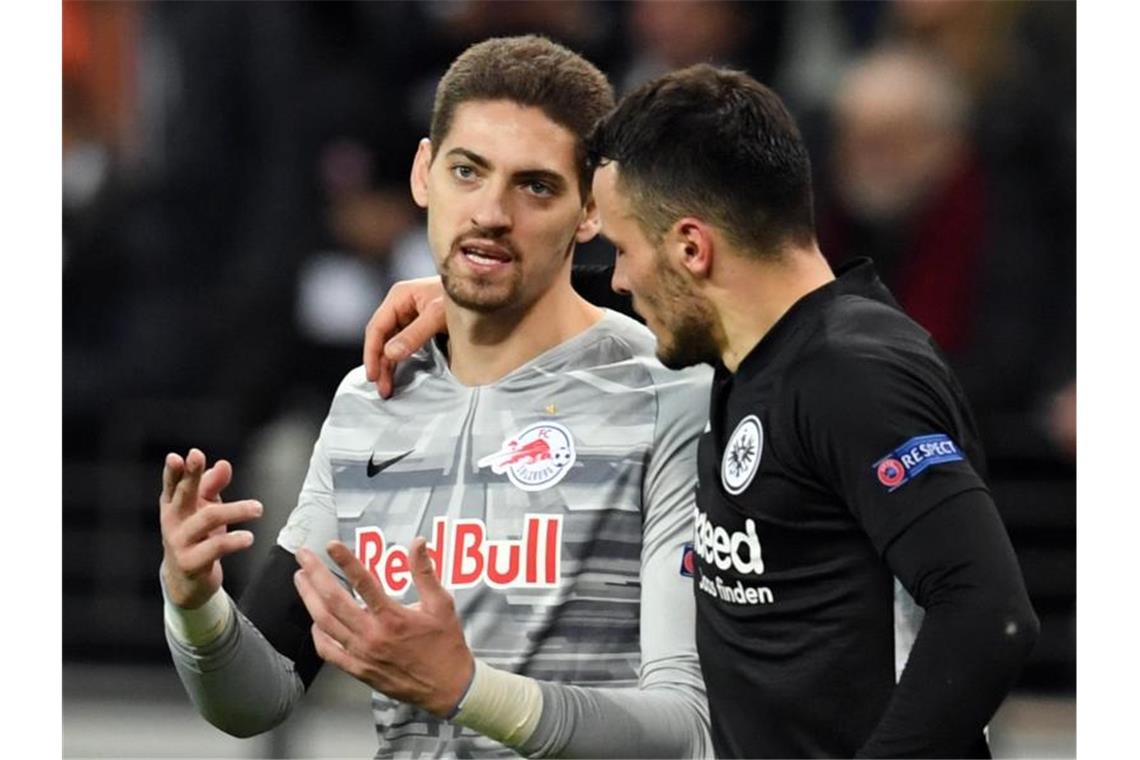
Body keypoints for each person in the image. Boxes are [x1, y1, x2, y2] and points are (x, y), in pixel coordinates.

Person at [362, 64, 1039, 758]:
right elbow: (617, 297)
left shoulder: (855, 376)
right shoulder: (754, 349)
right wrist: (478, 292)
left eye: (623, 250)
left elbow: (989, 612)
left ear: (692, 248)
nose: (618, 277)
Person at [159, 35, 713, 758]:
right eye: (467, 171)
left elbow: (684, 730)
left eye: (536, 186)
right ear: (424, 173)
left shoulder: (668, 395)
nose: (490, 211)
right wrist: (196, 605)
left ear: (592, 211)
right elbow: (258, 700)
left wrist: (463, 688)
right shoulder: (372, 398)